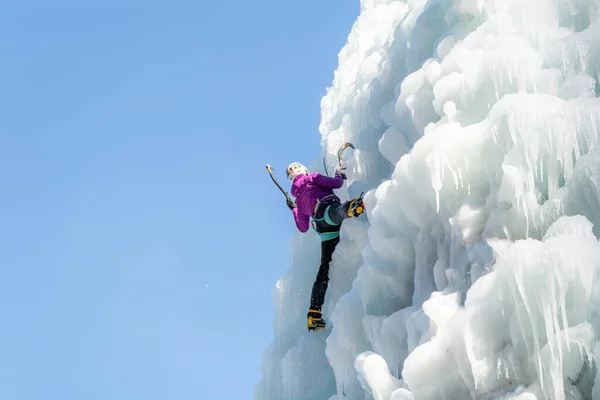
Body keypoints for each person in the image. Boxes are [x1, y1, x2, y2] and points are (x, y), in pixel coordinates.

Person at [285, 162, 365, 331]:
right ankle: (352, 208)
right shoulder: (312, 177)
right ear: (303, 170)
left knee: (325, 268)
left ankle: (314, 312)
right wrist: (338, 173)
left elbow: (303, 227)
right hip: (327, 210)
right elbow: (336, 184)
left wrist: (293, 209)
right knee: (338, 211)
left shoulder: (298, 199)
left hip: (322, 228)